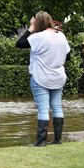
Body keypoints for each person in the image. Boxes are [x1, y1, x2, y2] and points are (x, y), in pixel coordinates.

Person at [16, 11, 70, 146]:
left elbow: (19, 43)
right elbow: (68, 56)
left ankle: (41, 142)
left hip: (41, 78)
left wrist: (31, 28)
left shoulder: (38, 37)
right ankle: (57, 140)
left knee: (43, 109)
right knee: (57, 107)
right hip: (58, 77)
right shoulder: (61, 36)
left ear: (37, 22)